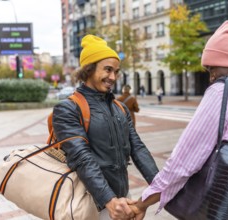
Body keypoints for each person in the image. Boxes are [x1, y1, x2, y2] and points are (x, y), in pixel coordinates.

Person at [129, 20, 228, 220]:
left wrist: (142, 203)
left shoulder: (223, 91)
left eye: (212, 68)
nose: (211, 77)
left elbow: (183, 161)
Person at [52, 34, 158, 220]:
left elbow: (138, 148)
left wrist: (160, 185)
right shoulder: (68, 108)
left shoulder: (120, 107)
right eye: (107, 70)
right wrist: (109, 200)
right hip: (89, 203)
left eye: (116, 72)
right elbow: (82, 158)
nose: (113, 77)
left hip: (122, 199)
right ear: (89, 69)